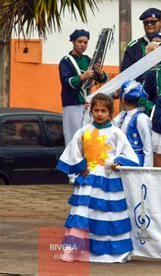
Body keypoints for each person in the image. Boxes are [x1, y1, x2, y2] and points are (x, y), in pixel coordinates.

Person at [56, 93, 140, 263]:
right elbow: (73, 150)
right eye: (96, 110)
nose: (99, 114)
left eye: (103, 111)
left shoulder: (117, 133)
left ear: (110, 113)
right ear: (91, 111)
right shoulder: (83, 131)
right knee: (82, 213)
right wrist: (80, 165)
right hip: (87, 179)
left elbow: (130, 156)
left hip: (108, 179)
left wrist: (118, 162)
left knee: (107, 215)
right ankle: (74, 251)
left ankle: (112, 253)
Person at [59, 29, 109, 144]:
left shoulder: (88, 60)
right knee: (73, 137)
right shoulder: (66, 61)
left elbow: (103, 79)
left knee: (88, 137)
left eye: (85, 42)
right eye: (79, 42)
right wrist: (83, 76)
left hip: (88, 104)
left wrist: (100, 73)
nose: (82, 45)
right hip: (72, 103)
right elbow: (66, 82)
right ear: (73, 42)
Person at [120, 8, 161, 83]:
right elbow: (125, 73)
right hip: (140, 89)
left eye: (153, 22)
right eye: (146, 23)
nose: (149, 25)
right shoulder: (134, 46)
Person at [114, 80, 153, 167]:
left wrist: (146, 170)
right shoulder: (122, 115)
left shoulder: (141, 118)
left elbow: (148, 147)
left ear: (122, 100)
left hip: (136, 162)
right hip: (122, 159)